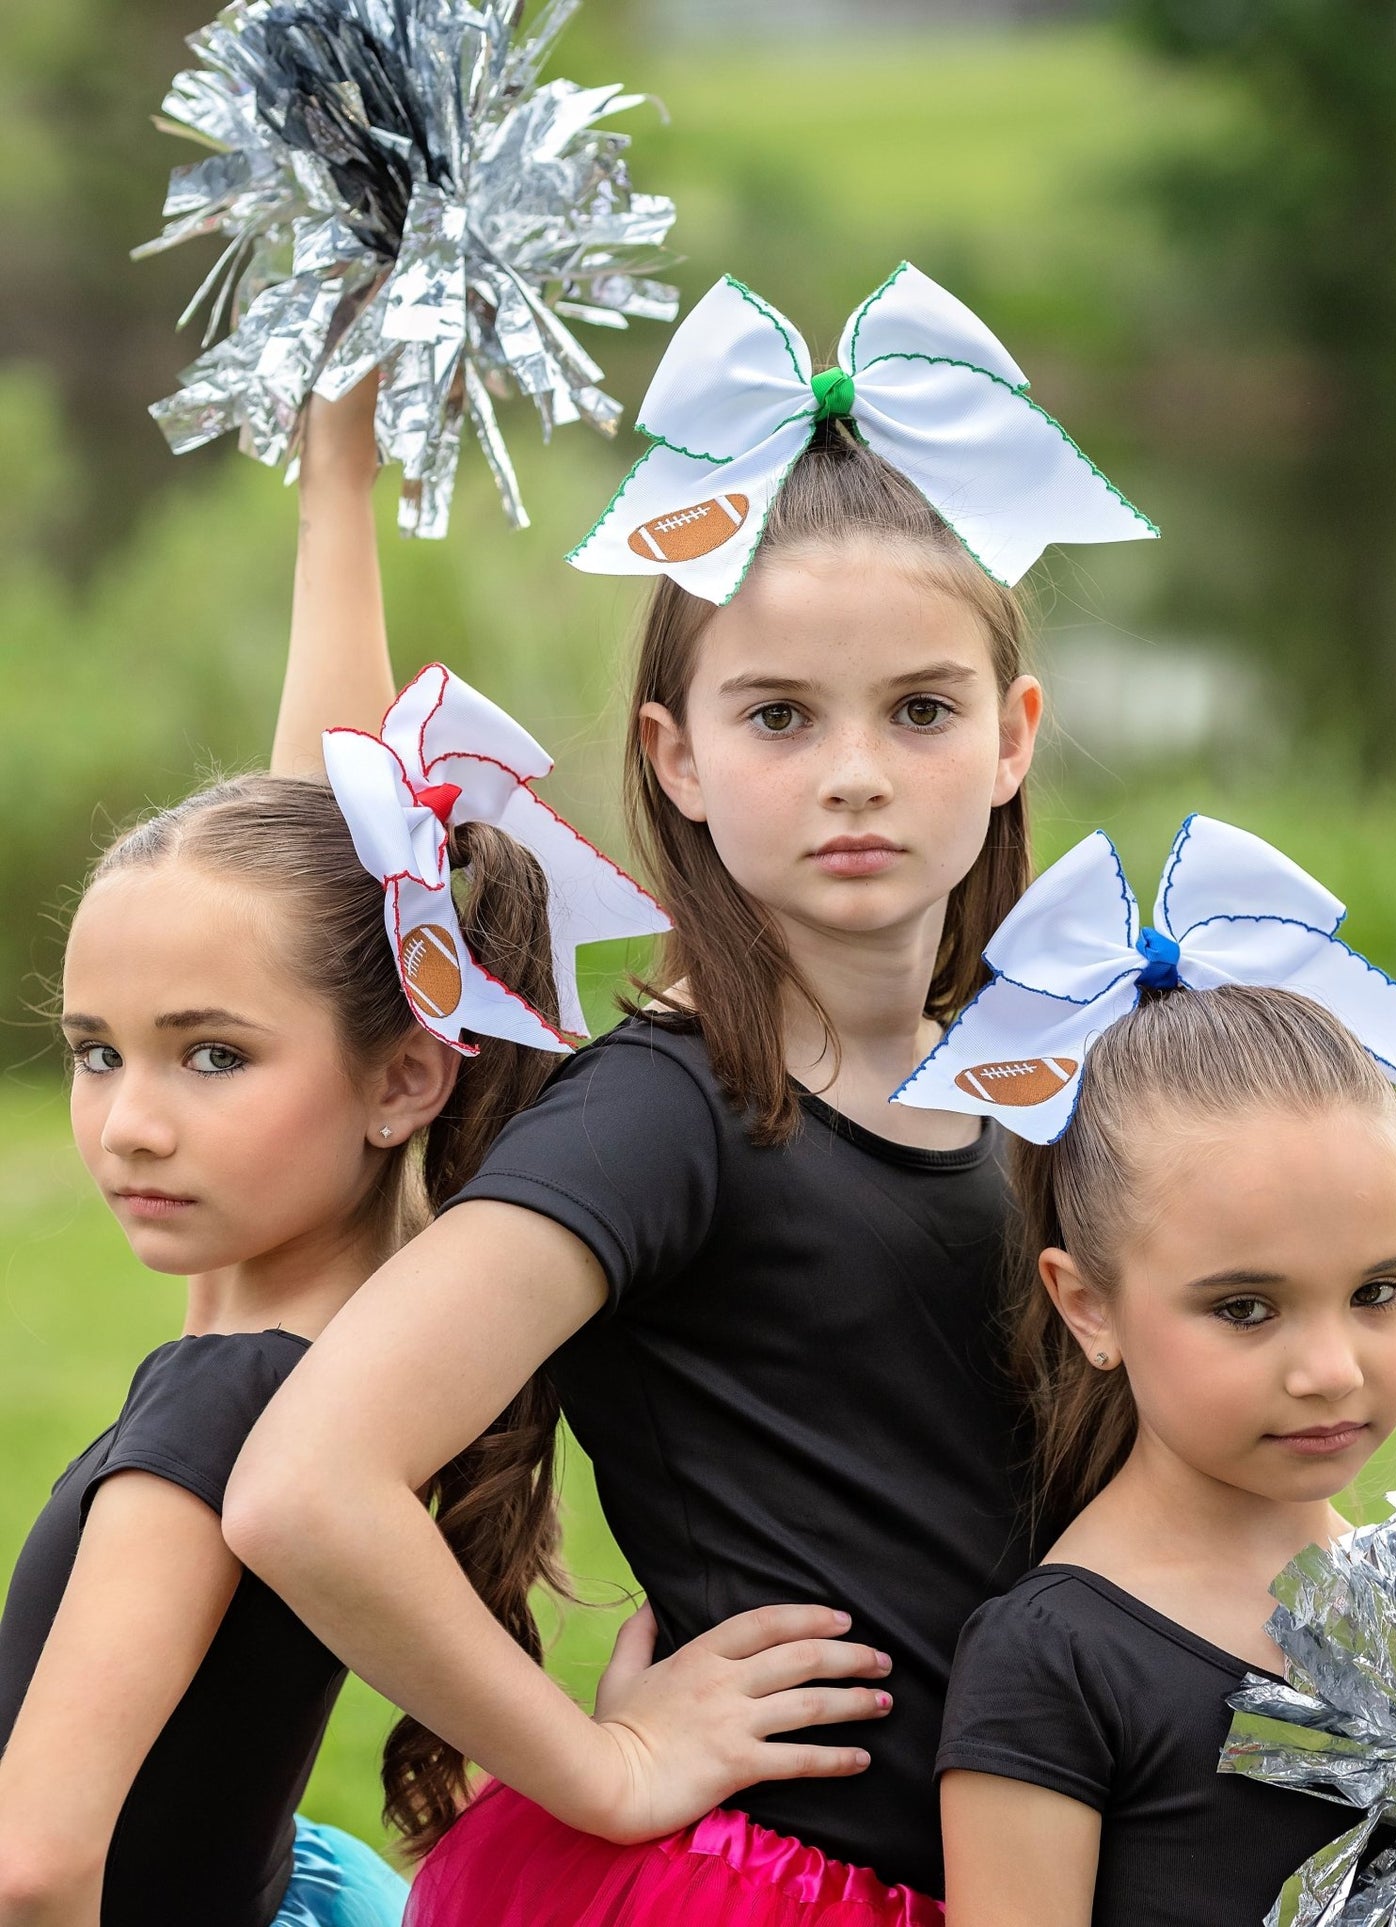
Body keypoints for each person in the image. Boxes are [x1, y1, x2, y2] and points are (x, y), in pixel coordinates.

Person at [222, 266, 1156, 1923]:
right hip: (779, 1890)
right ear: (675, 755)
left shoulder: (1034, 1082)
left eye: (920, 710)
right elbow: (307, 1484)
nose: (855, 772)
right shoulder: (668, 1115)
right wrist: (604, 1767)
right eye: (779, 715)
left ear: (1014, 735)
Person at [0, 391, 800, 1927]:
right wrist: (337, 475)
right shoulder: (342, 1323)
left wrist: (614, 1767)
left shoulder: (219, 1406)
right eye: (97, 1051)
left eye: (209, 1055)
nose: (132, 1121)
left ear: (401, 1077)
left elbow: (35, 1864)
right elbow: (327, 885)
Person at [912, 819, 1396, 1926]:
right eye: (1244, 1308)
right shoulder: (1056, 1662)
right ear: (1088, 1306)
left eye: (1376, 1291)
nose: (1329, 1370)